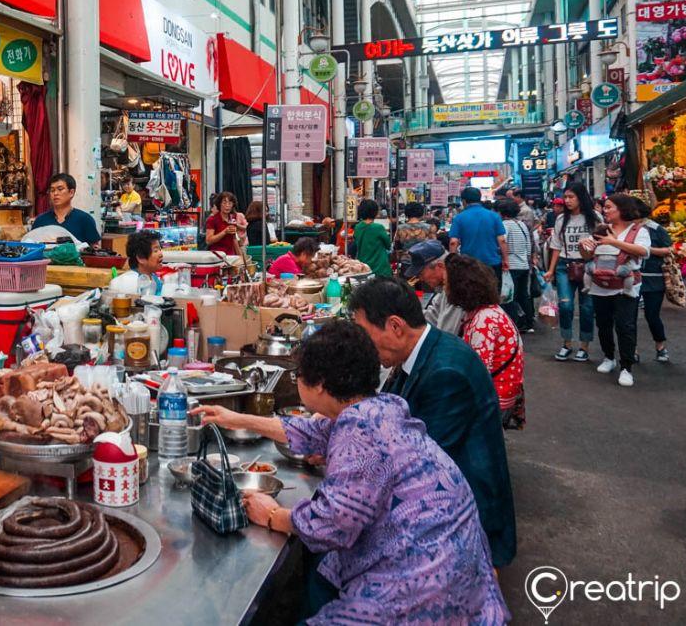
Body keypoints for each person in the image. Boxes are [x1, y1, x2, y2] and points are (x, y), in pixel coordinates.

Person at [193, 322, 507, 624]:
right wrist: (237, 419)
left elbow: (330, 524)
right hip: (462, 571)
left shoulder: (359, 433)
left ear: (318, 385)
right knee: (320, 577)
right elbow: (311, 430)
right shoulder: (379, 408)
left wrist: (273, 514)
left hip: (422, 589)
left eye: (299, 376)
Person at [347, 277, 516, 567]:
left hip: (462, 519)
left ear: (396, 326)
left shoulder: (446, 373)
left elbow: (414, 467)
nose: (363, 347)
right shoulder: (421, 351)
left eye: (365, 334)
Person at [445, 254, 526, 429]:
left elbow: (477, 373)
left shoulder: (484, 320)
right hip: (501, 393)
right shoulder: (487, 312)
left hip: (494, 399)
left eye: (447, 283)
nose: (445, 288)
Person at [579, 193, 651, 387]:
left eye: (609, 207)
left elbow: (644, 252)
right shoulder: (601, 229)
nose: (605, 210)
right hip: (600, 285)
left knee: (625, 326)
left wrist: (614, 242)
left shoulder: (638, 231)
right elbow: (588, 255)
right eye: (605, 207)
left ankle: (626, 366)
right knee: (603, 323)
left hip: (626, 286)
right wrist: (583, 246)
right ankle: (608, 357)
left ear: (622, 209)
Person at [544, 182, 598, 362]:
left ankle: (584, 346)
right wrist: (550, 270)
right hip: (564, 266)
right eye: (565, 197)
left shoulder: (594, 217)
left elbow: (604, 240)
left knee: (587, 307)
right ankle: (566, 343)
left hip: (589, 266)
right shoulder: (561, 220)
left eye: (571, 197)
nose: (567, 201)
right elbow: (556, 246)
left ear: (581, 198)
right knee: (565, 305)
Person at [400, 239, 466, 336]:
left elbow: (447, 334)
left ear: (440, 266)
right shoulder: (445, 288)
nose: (421, 279)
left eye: (421, 273)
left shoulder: (457, 290)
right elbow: (432, 316)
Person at [636, 201, 674, 363]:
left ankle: (660, 347)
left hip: (654, 278)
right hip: (632, 278)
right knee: (628, 317)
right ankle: (632, 349)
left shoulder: (656, 228)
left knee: (652, 315)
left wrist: (646, 250)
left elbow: (669, 249)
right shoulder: (626, 228)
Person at [449, 186, 508, 282]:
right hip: (492, 263)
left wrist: (452, 262)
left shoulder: (459, 218)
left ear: (464, 201)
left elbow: (453, 242)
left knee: (471, 294)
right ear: (479, 199)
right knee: (492, 294)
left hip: (469, 264)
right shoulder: (494, 216)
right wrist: (505, 259)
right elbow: (502, 240)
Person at [496, 198, 536, 332]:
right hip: (524, 264)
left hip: (512, 265)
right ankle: (529, 322)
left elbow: (503, 242)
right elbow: (529, 244)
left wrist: (503, 258)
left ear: (502, 212)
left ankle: (514, 323)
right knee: (523, 295)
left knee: (509, 297)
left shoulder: (506, 225)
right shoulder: (521, 224)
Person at [31, 173, 101, 247]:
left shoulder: (85, 219)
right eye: (52, 190)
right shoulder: (40, 220)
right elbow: (31, 247)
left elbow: (95, 249)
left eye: (60, 189)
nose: (55, 193)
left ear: (71, 192)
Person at [108, 230, 165, 295]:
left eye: (160, 249)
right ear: (141, 258)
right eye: (155, 250)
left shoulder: (154, 277)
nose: (161, 254)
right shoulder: (128, 282)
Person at [352, 199, 392, 277]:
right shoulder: (378, 228)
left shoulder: (357, 227)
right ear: (375, 212)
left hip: (364, 268)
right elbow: (388, 245)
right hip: (380, 267)